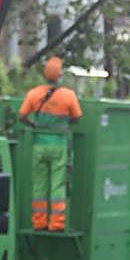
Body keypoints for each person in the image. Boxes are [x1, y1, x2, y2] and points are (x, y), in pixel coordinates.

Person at [18, 56, 82, 232]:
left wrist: (35, 125)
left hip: (39, 145)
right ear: (59, 75)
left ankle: (39, 222)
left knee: (39, 185)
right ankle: (57, 223)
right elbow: (77, 116)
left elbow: (21, 116)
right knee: (57, 185)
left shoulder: (34, 94)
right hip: (59, 145)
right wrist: (64, 123)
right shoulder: (68, 96)